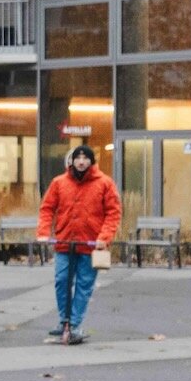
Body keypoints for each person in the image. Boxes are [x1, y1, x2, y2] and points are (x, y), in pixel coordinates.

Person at [36, 142, 119, 345]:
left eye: (85, 158)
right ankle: (64, 320)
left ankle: (74, 324)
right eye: (78, 158)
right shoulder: (59, 182)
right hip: (65, 242)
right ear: (71, 161)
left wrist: (104, 237)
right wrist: (43, 233)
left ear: (92, 162)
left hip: (91, 245)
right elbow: (47, 208)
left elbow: (113, 213)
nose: (81, 162)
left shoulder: (104, 183)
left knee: (84, 285)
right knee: (61, 281)